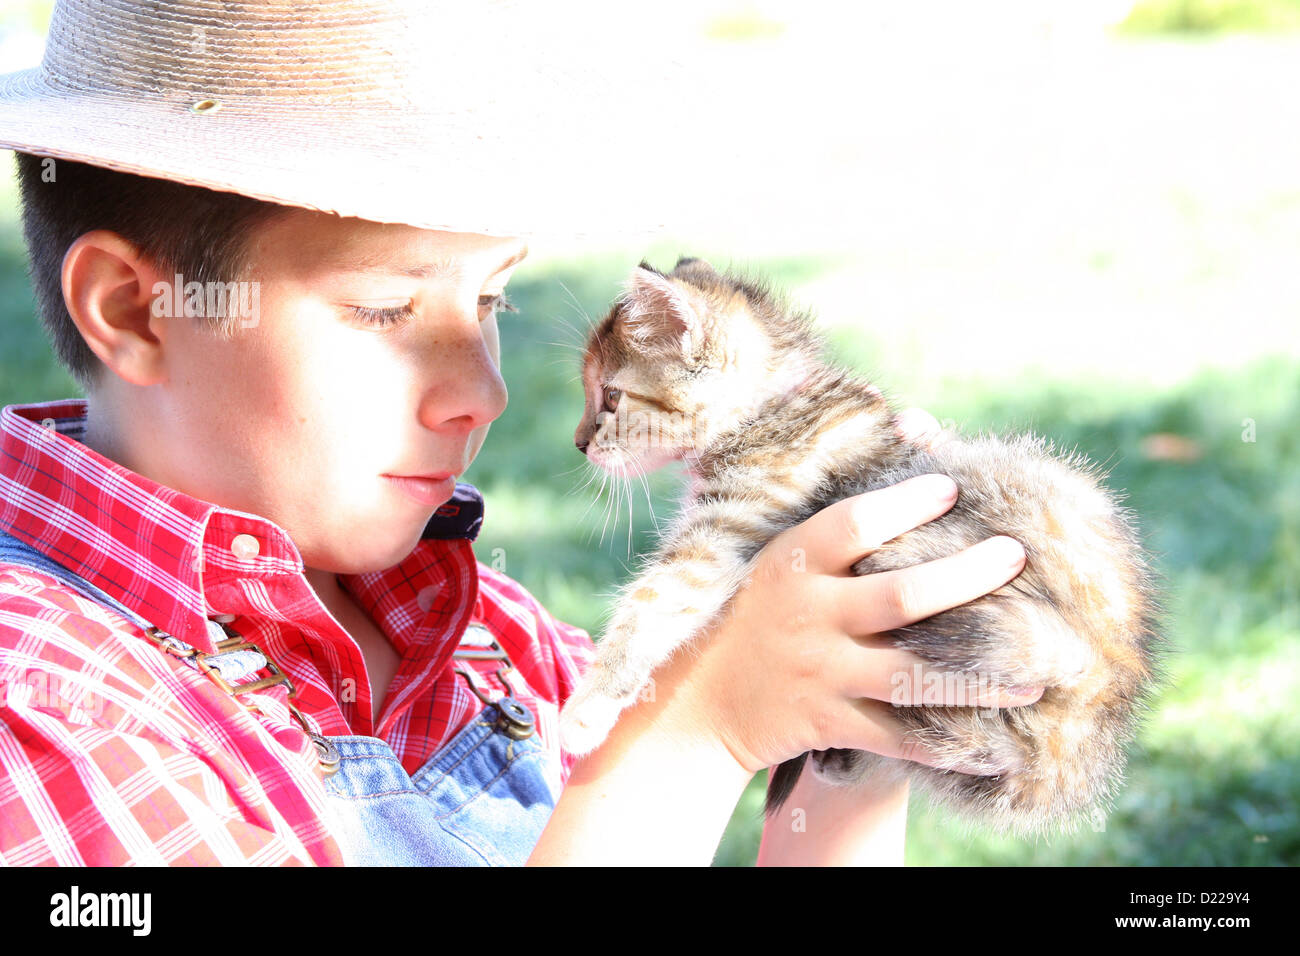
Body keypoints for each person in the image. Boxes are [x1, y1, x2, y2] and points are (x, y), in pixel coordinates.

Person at [0, 0, 1035, 866]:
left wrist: (850, 716)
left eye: (490, 299)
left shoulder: (483, 628)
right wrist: (698, 729)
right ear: (140, 310)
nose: (482, 393)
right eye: (385, 309)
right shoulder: (48, 707)